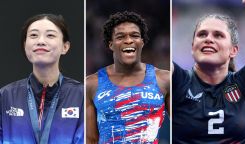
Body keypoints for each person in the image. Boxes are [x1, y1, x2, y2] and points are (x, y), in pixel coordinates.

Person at [172, 1, 245, 143]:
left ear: (233, 50)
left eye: (218, 35)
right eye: (202, 34)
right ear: (193, 47)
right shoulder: (177, 80)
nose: (208, 39)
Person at [86, 11, 170, 143]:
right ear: (111, 44)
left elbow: (181, 129)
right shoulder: (92, 84)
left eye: (134, 35)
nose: (128, 40)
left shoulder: (164, 80)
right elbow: (90, 139)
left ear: (142, 42)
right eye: (120, 37)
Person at [0, 14, 84, 144]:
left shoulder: (81, 95)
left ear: (65, 47)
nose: (40, 41)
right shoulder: (5, 96)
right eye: (33, 35)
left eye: (50, 35)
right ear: (25, 45)